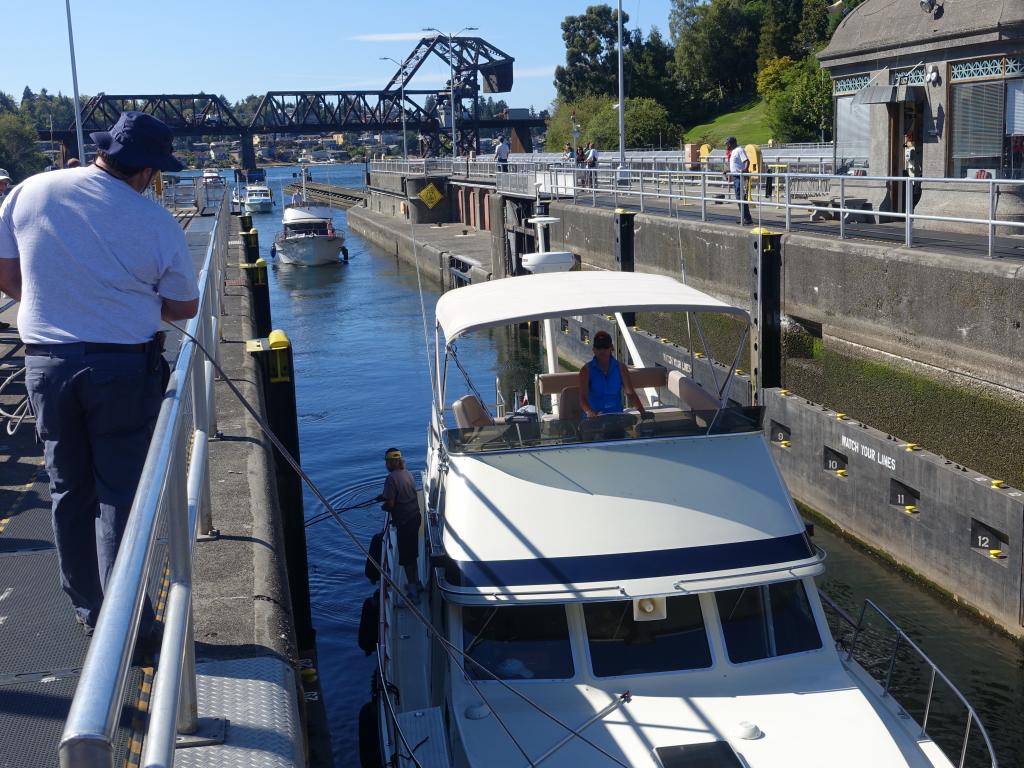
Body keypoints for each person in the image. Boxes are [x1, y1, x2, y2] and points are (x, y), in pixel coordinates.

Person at [0, 111, 198, 638]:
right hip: (122, 369)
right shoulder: (153, 220)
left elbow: (6, 273)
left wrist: (57, 303)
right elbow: (184, 304)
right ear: (149, 172)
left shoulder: (29, 192)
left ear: (103, 150)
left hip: (46, 364)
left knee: (68, 488)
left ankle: (89, 610)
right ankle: (126, 620)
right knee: (118, 495)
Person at [377, 448, 422, 599]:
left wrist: (384, 506)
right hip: (415, 517)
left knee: (406, 557)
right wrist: (383, 496)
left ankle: (412, 592)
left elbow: (390, 504)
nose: (386, 465)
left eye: (387, 462)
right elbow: (402, 493)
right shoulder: (407, 474)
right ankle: (417, 582)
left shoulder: (390, 478)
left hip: (404, 521)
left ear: (390, 462)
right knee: (413, 552)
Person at [578, 331, 647, 419]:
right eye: (598, 347)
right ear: (594, 349)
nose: (602, 350)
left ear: (611, 348)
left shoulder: (621, 368)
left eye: (605, 347)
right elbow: (582, 397)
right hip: (594, 419)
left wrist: (642, 411)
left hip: (616, 417)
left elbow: (630, 394)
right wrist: (589, 412)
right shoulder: (586, 370)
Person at [725, 136, 753, 226]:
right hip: (735, 176)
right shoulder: (733, 151)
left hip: (739, 177)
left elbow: (746, 161)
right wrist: (729, 171)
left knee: (740, 197)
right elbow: (735, 165)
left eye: (728, 144)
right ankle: (744, 217)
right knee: (739, 197)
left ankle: (747, 218)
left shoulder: (739, 150)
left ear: (732, 143)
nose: (727, 146)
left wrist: (745, 169)